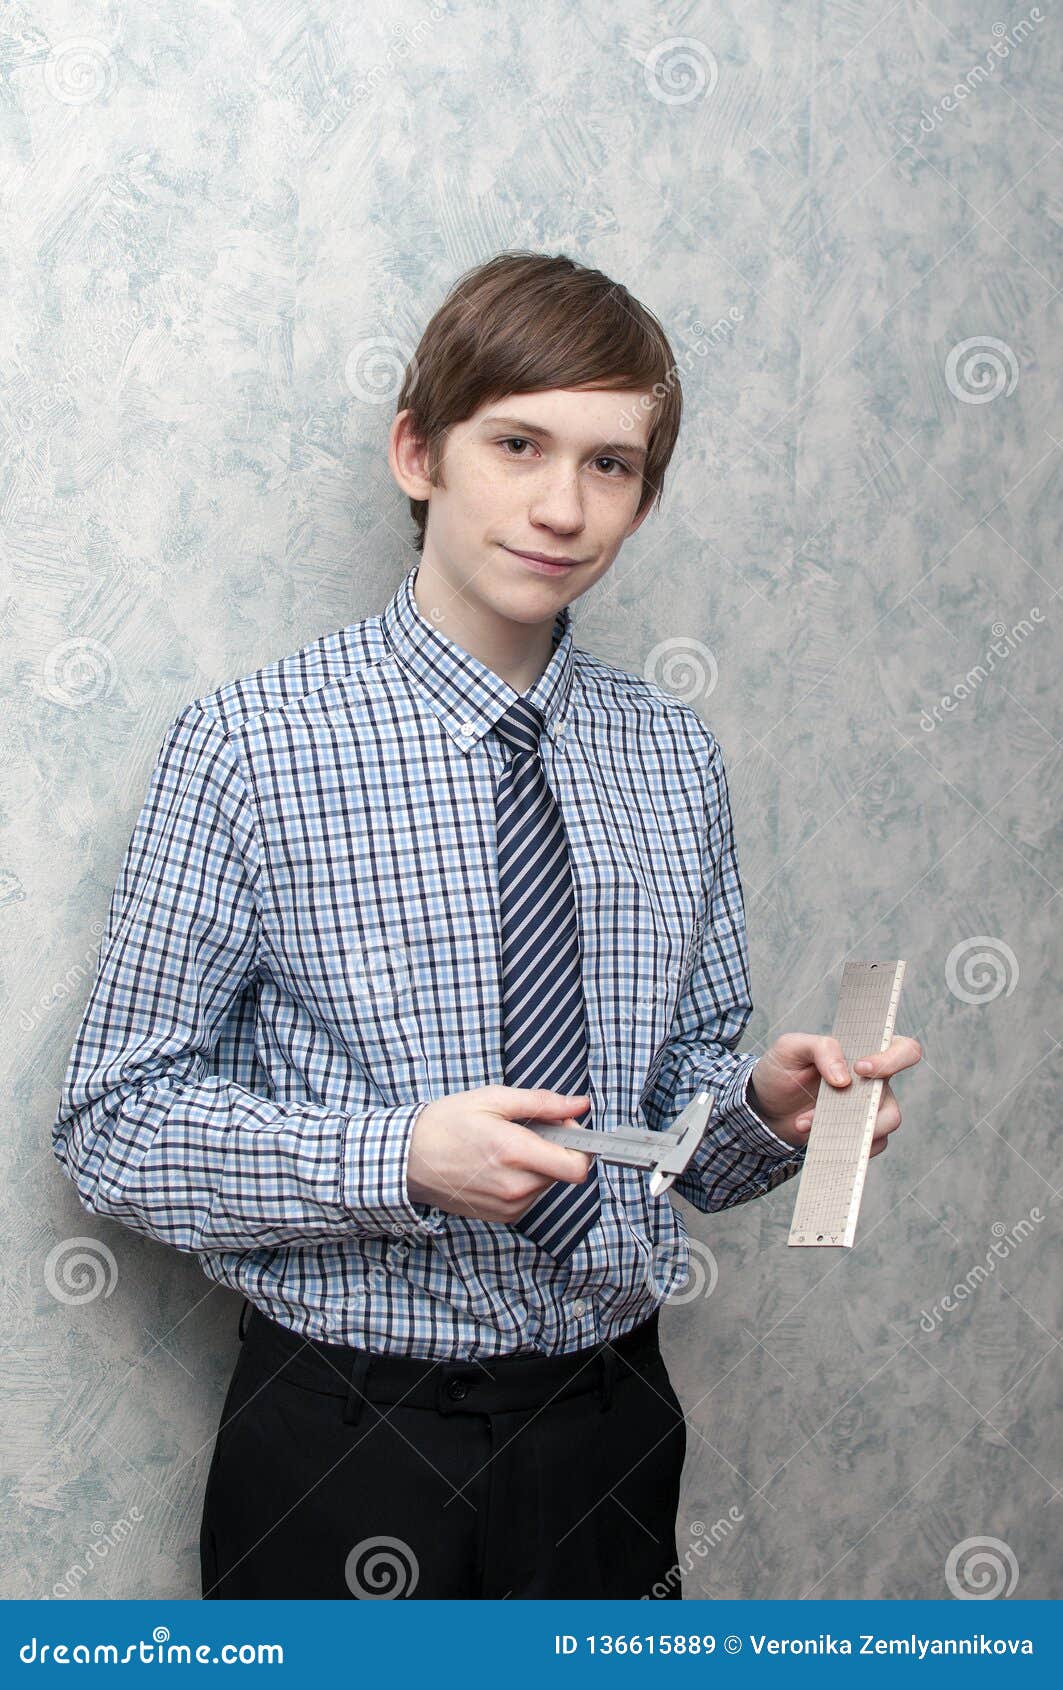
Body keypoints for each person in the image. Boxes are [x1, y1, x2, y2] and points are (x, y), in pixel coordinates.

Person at [52, 250, 921, 1601]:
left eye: (612, 464)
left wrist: (759, 1109)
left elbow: (677, 1128)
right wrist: (399, 1157)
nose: (562, 505)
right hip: (346, 1441)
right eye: (518, 443)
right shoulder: (249, 748)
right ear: (420, 454)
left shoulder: (673, 757)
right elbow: (113, 1123)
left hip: (610, 1426)